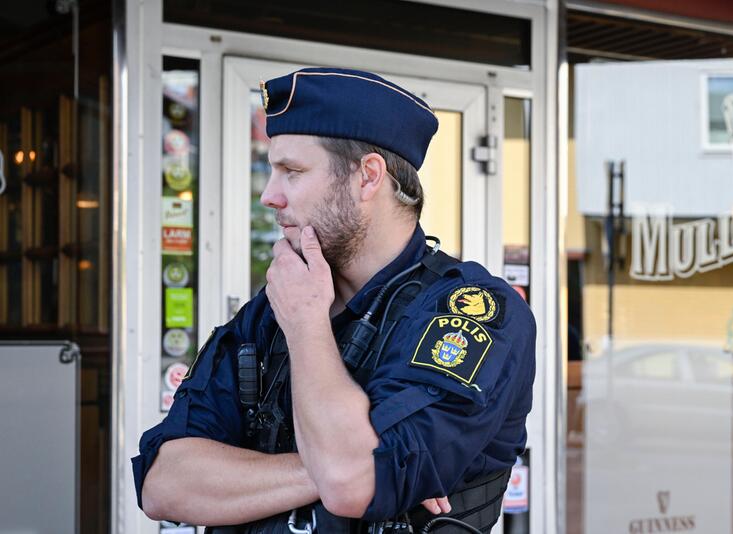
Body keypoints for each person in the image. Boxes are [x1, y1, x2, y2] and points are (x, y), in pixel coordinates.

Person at [132, 67, 537, 534]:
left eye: (292, 171)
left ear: (367, 177)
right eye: (271, 170)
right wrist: (318, 469)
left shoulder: (471, 312)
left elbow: (350, 483)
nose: (269, 195)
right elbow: (164, 484)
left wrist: (307, 326)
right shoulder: (270, 312)